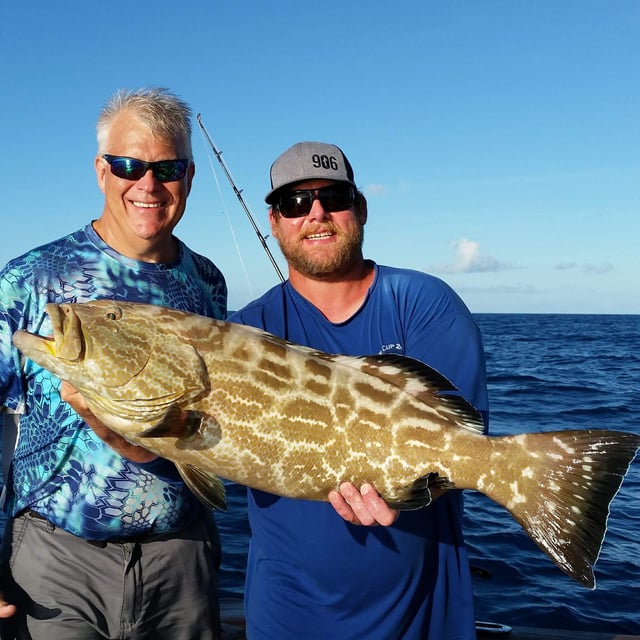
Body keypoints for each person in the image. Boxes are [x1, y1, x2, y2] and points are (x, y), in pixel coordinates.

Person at [229, 141, 489, 640]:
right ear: (276, 220)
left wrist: (410, 489)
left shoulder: (423, 302)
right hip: (285, 617)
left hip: (423, 617)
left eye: (334, 197)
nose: (317, 213)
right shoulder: (249, 328)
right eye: (295, 203)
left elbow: (463, 440)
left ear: (360, 208)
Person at [0, 88, 227, 640]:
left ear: (189, 176)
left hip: (183, 559)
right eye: (129, 165)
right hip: (57, 564)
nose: (147, 184)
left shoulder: (209, 283)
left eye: (167, 168)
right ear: (102, 171)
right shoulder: (29, 279)